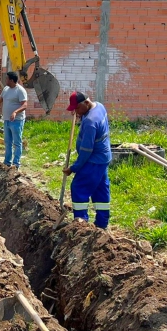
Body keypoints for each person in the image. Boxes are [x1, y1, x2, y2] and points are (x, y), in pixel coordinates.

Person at [62, 91, 112, 229]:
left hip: (93, 160)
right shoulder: (99, 106)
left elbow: (86, 150)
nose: (76, 112)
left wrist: (74, 168)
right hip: (103, 157)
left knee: (79, 187)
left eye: (77, 108)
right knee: (100, 190)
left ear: (86, 103)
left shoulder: (90, 122)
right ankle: (102, 224)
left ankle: (81, 224)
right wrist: (79, 114)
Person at [0, 71, 27, 168]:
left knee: (17, 143)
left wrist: (15, 112)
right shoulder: (6, 89)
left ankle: (16, 164)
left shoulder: (20, 90)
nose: (5, 80)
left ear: (11, 80)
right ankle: (7, 163)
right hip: (7, 120)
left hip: (17, 121)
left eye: (7, 79)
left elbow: (25, 105)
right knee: (7, 142)